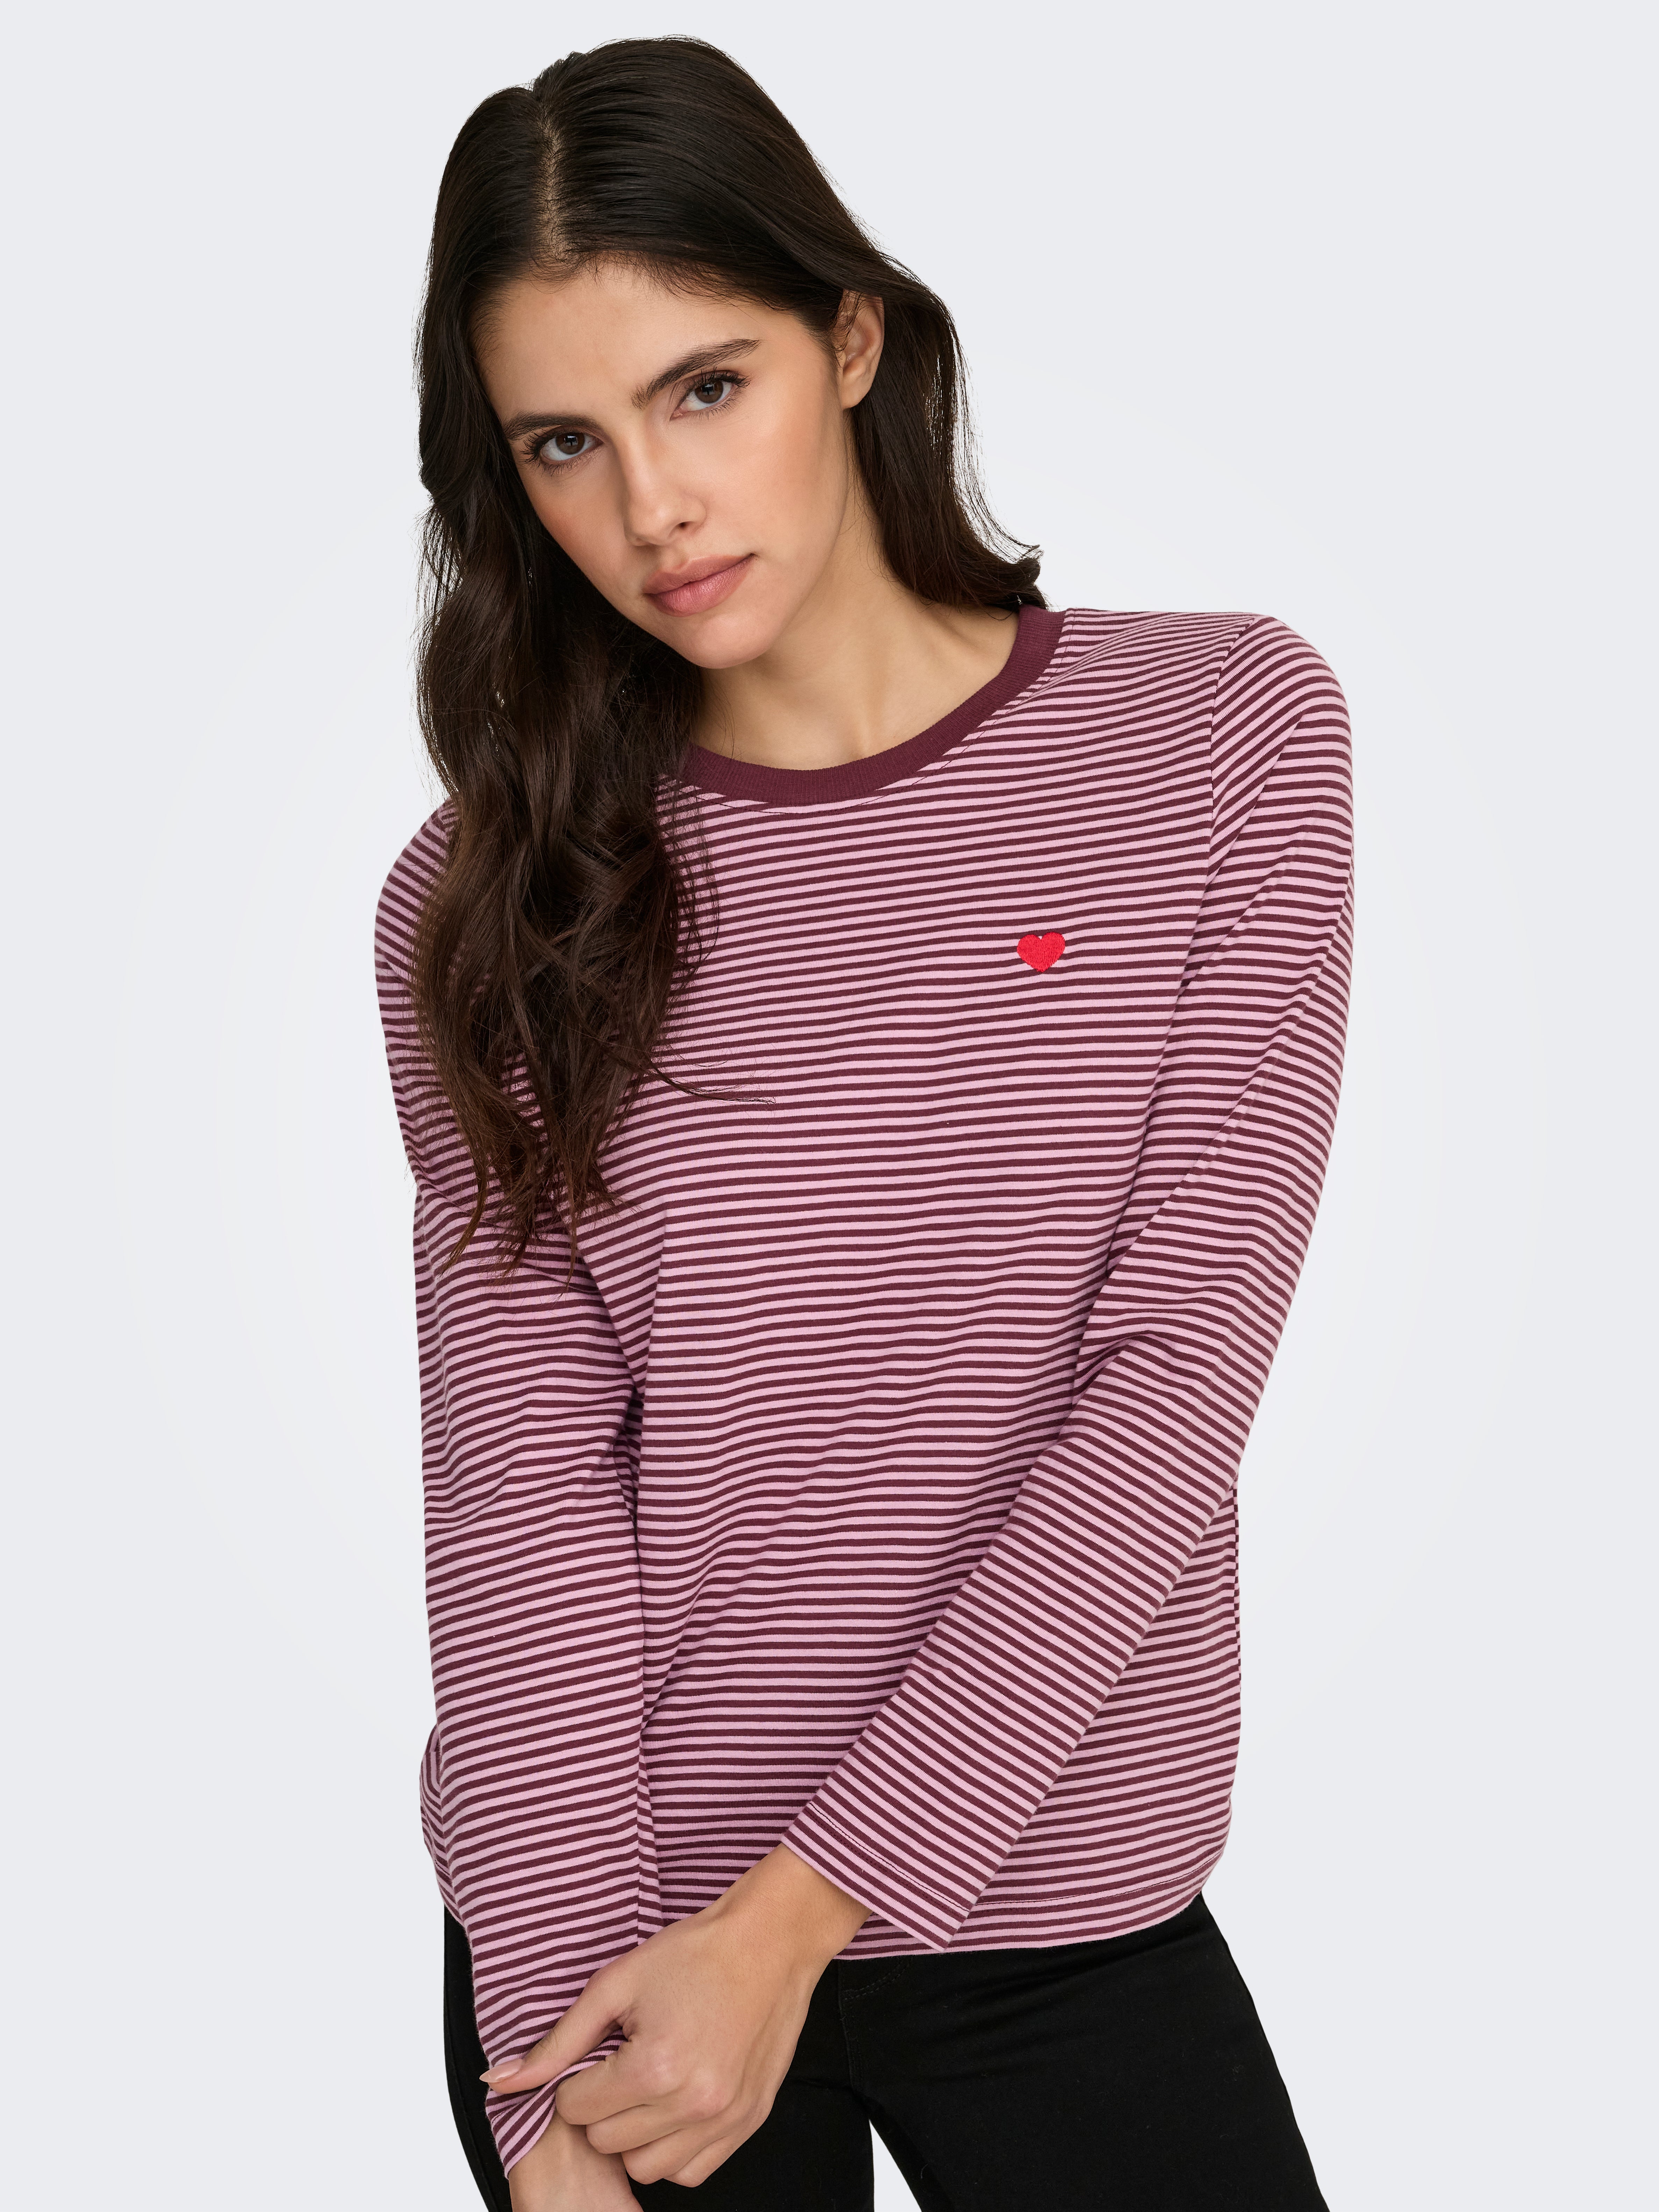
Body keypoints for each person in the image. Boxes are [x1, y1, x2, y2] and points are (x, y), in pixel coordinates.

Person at [377, 36, 1351, 2212]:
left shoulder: (1222, 738)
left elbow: (1170, 1382)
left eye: (704, 387)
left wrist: (800, 1918)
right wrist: (546, 2096)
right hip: (611, 1936)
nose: (653, 506)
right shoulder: (489, 897)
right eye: (564, 441)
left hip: (1055, 1895)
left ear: (849, 338)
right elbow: (522, 1500)